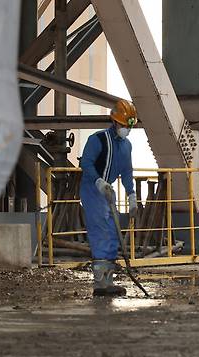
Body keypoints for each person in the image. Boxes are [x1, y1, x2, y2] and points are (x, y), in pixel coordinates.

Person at [80, 100, 138, 297]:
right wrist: (99, 182)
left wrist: (132, 195)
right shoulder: (98, 139)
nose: (126, 130)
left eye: (129, 126)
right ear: (114, 121)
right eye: (124, 125)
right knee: (101, 231)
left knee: (112, 231)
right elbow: (86, 163)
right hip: (92, 188)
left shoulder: (126, 146)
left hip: (108, 191)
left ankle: (108, 281)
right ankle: (99, 283)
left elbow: (127, 171)